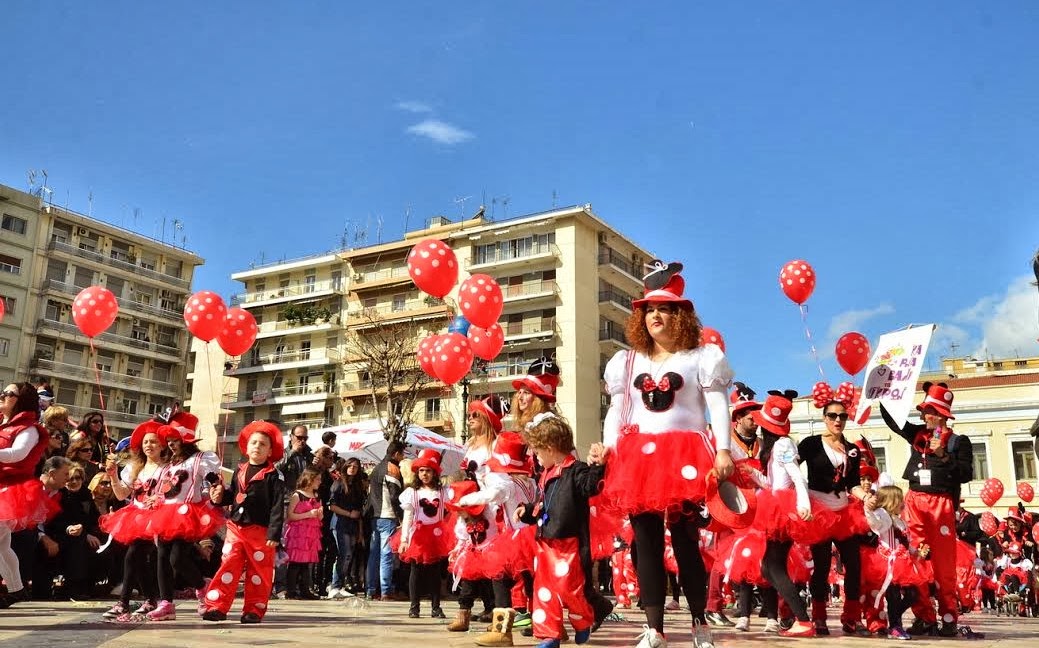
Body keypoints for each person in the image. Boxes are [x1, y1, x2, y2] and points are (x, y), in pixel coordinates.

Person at [600, 261, 734, 648]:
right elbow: (617, 410)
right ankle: (654, 627)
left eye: (664, 309)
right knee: (646, 544)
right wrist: (608, 448)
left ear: (680, 315)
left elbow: (718, 405)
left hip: (686, 457)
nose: (655, 316)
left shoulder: (701, 356)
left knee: (687, 541)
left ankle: (698, 623)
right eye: (648, 310)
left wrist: (723, 450)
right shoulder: (626, 362)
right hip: (637, 459)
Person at [880, 382, 975, 637]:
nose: (924, 416)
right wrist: (887, 390)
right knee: (916, 560)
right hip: (914, 501)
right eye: (923, 411)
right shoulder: (917, 434)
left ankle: (948, 618)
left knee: (944, 566)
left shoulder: (958, 442)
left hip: (941, 505)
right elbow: (893, 421)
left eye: (929, 411)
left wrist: (944, 455)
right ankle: (925, 617)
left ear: (943, 414)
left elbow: (967, 473)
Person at [514, 413, 606, 648]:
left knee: (569, 588)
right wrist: (526, 511)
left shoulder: (576, 470)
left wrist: (598, 465)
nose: (535, 456)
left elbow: (591, 487)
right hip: (545, 542)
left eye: (537, 451)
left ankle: (584, 619)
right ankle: (550, 634)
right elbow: (544, 507)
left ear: (551, 447)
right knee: (543, 589)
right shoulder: (545, 475)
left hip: (569, 544)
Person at [799, 382, 871, 635]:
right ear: (824, 418)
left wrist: (866, 497)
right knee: (820, 566)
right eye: (832, 415)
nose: (838, 420)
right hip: (818, 510)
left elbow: (852, 484)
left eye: (842, 415)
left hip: (844, 513)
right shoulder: (810, 443)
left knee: (854, 565)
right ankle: (818, 616)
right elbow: (791, 467)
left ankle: (851, 617)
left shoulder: (852, 449)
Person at [454, 431, 538, 645]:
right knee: (531, 582)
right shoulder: (531, 483)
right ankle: (541, 623)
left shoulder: (507, 485)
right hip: (532, 537)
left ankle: (502, 631)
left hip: (515, 538)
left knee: (500, 578)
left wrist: (465, 499)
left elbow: (490, 495)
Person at [200, 420, 286, 623]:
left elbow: (277, 507)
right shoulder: (239, 470)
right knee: (228, 564)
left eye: (263, 444)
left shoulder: (274, 476)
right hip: (236, 528)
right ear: (246, 447)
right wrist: (220, 496)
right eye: (254, 442)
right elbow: (234, 496)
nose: (257, 446)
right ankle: (217, 606)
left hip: (261, 531)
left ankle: (254, 610)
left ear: (270, 451)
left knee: (259, 571)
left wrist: (274, 534)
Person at [147, 408, 224, 621]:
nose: (171, 443)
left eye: (175, 439)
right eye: (168, 440)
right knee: (162, 556)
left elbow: (211, 479)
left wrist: (215, 486)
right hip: (165, 513)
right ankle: (166, 603)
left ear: (186, 439)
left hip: (188, 512)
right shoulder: (169, 463)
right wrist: (155, 499)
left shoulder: (200, 458)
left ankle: (201, 585)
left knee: (177, 558)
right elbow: (163, 488)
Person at [705, 382, 761, 628]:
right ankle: (712, 607)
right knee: (723, 557)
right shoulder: (723, 442)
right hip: (730, 506)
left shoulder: (762, 443)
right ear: (737, 419)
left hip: (757, 507)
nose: (756, 420)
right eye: (751, 416)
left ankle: (751, 606)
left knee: (755, 556)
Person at [0, 382, 60, 608]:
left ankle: (16, 589)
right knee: (2, 546)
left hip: (13, 490)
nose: (2, 395)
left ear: (21, 400)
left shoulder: (29, 428)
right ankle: (16, 590)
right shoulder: (3, 423)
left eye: (8, 393)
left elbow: (18, 454)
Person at [863, 484, 933, 641]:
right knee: (893, 596)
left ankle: (894, 619)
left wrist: (918, 552)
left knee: (913, 594)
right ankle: (894, 626)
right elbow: (874, 523)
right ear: (891, 501)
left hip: (903, 562)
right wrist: (868, 509)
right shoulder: (883, 515)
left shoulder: (901, 521)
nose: (903, 503)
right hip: (887, 563)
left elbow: (906, 544)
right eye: (900, 499)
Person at [397, 449, 452, 619]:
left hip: (436, 535)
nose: (424, 474)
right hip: (418, 535)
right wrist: (404, 539)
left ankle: (436, 607)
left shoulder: (443, 492)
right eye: (421, 470)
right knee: (416, 571)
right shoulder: (412, 493)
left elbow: (451, 513)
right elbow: (408, 516)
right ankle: (414, 607)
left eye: (428, 470)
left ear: (434, 472)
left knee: (435, 572)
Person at [366, 440, 406, 600]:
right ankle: (385, 591)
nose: (403, 458)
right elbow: (394, 495)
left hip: (375, 515)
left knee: (374, 554)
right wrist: (401, 517)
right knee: (386, 554)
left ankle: (370, 589)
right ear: (396, 453)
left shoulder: (376, 468)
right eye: (402, 454)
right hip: (387, 515)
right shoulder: (392, 468)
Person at [328, 457, 366, 599]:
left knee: (348, 556)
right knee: (344, 554)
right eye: (350, 465)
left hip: (352, 525)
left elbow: (359, 511)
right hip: (340, 523)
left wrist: (360, 531)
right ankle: (335, 585)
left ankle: (340, 585)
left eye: (355, 466)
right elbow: (332, 506)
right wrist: (349, 514)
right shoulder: (338, 484)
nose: (352, 468)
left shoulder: (357, 487)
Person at [284, 467, 323, 599]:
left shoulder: (317, 496)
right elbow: (290, 515)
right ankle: (291, 590)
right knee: (295, 563)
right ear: (310, 479)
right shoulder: (297, 495)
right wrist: (308, 514)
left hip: (310, 533)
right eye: (317, 479)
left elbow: (319, 518)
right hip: (298, 533)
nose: (319, 482)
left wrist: (319, 514)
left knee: (306, 563)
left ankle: (305, 589)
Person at [275, 424, 313, 496]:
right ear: (291, 436)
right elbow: (275, 469)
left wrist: (318, 465)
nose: (302, 441)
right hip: (289, 497)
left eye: (305, 438)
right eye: (299, 437)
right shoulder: (282, 453)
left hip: (305, 497)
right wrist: (292, 452)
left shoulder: (309, 456)